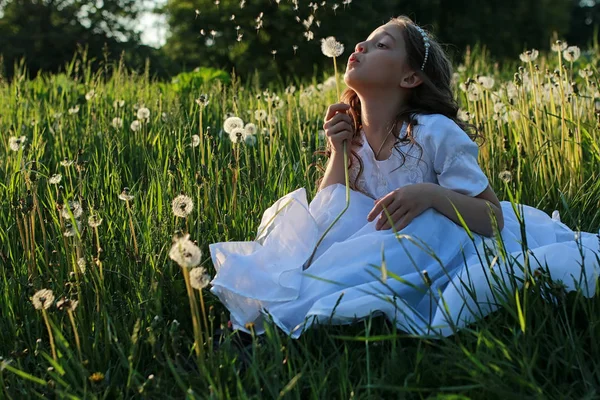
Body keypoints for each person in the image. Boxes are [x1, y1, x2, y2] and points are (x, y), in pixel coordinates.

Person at [208, 16, 600, 340]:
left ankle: (285, 318)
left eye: (381, 45)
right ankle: (267, 314)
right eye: (364, 40)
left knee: (415, 228)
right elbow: (330, 212)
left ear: (410, 78)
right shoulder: (354, 135)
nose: (360, 46)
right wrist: (340, 151)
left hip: (447, 244)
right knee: (330, 234)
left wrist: (430, 194)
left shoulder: (435, 133)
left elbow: (492, 218)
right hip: (383, 241)